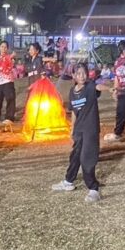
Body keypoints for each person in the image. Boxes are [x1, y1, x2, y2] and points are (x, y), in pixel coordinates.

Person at [51, 62, 109, 202]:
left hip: (90, 129)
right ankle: (68, 181)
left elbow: (98, 86)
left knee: (86, 159)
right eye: (78, 74)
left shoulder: (90, 87)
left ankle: (93, 189)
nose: (82, 76)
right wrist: (72, 128)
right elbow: (74, 112)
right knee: (75, 156)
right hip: (79, 129)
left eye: (84, 73)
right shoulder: (73, 91)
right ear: (73, 75)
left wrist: (111, 88)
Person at [0, 41, 16, 124]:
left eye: (5, 47)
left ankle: (10, 117)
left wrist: (10, 57)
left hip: (8, 81)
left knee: (10, 98)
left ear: (7, 49)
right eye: (2, 46)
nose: (3, 49)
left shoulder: (10, 58)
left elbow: (7, 68)